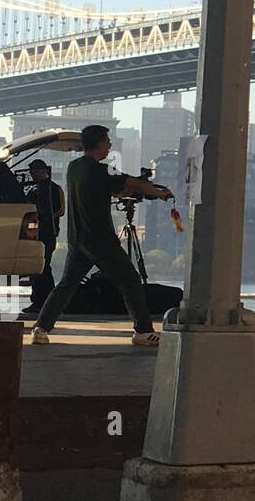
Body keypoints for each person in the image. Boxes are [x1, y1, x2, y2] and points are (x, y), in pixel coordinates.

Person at [30, 125, 173, 347]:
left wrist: (124, 190)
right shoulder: (99, 169)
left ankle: (41, 327)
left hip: (78, 239)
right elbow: (130, 182)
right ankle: (143, 331)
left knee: (67, 284)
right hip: (100, 239)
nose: (109, 145)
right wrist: (159, 192)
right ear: (98, 143)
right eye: (107, 141)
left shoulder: (74, 168)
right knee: (131, 281)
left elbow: (110, 188)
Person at [22, 159, 64, 314]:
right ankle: (41, 302)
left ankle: (47, 302)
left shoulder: (54, 189)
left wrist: (44, 218)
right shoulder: (33, 190)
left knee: (43, 268)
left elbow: (60, 209)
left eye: (35, 171)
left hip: (48, 233)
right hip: (34, 234)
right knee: (38, 269)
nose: (33, 175)